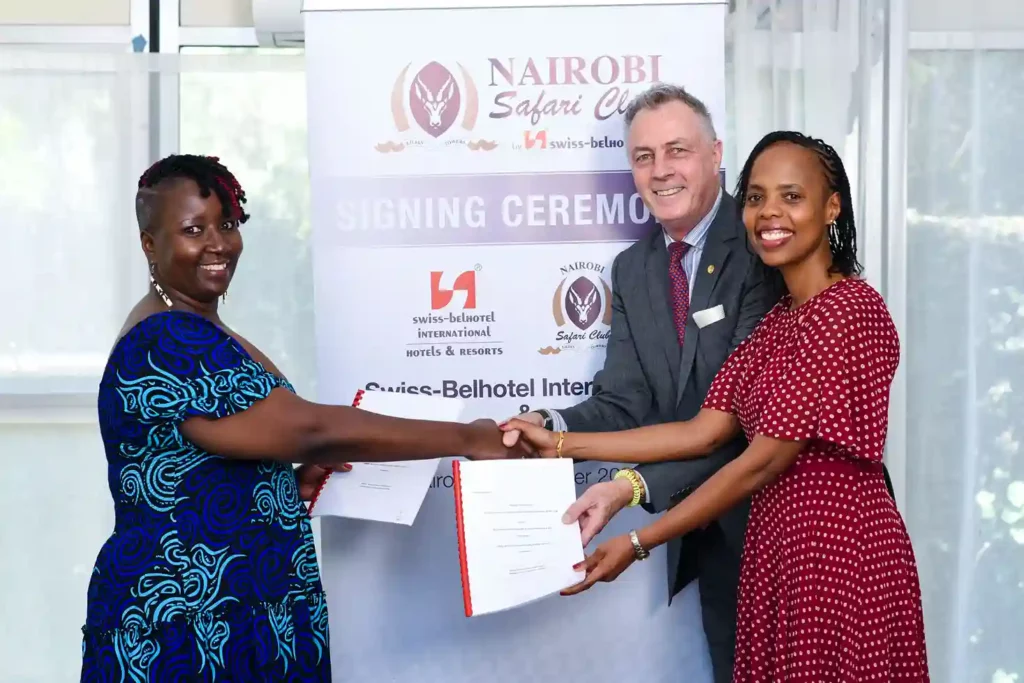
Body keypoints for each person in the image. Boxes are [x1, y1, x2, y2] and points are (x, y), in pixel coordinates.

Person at [503, 131, 930, 681]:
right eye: (755, 197)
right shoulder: (778, 322)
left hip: (838, 556)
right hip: (777, 551)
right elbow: (702, 432)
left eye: (791, 196)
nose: (769, 212)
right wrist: (558, 442)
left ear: (832, 207)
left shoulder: (848, 309)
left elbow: (763, 460)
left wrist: (638, 542)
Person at [79, 154, 516, 682]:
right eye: (194, 229)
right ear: (150, 244)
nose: (218, 243)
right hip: (192, 627)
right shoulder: (166, 338)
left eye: (227, 224)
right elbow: (310, 429)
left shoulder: (198, 326)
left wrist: (278, 482)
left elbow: (218, 448)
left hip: (248, 607)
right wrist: (470, 437)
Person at [501, 83, 784, 682]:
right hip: (708, 536)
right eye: (643, 157)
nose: (661, 172)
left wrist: (629, 486)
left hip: (784, 527)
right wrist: (550, 426)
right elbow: (625, 400)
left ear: (716, 154)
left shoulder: (766, 243)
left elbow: (738, 425)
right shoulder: (633, 269)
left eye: (677, 150)